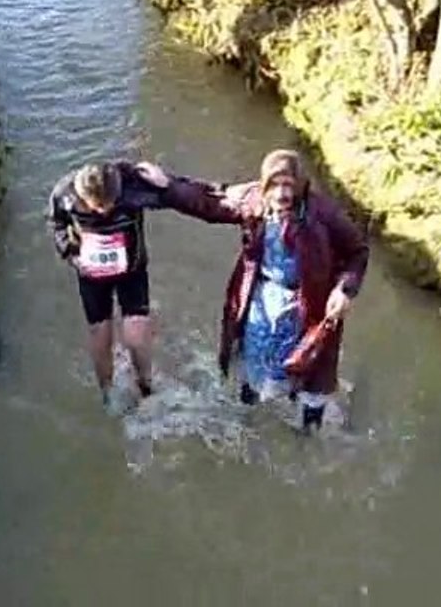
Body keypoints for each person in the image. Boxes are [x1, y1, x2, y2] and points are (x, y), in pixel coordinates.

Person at [156, 149, 369, 431]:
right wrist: (167, 185)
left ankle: (308, 433)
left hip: (309, 305)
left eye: (289, 186)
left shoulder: (324, 214)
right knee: (252, 362)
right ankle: (247, 417)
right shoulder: (254, 201)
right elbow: (209, 200)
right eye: (275, 185)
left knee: (311, 370)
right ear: (265, 184)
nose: (281, 194)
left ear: (301, 185)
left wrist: (344, 289)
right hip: (262, 299)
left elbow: (357, 251)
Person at [47, 159, 179, 409]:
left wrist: (166, 184)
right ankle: (106, 391)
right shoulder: (63, 194)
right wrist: (71, 254)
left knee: (136, 334)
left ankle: (146, 386)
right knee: (100, 333)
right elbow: (56, 225)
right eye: (98, 208)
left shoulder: (132, 186)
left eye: (111, 205)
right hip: (91, 273)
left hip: (131, 270)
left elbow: (177, 199)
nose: (105, 212)